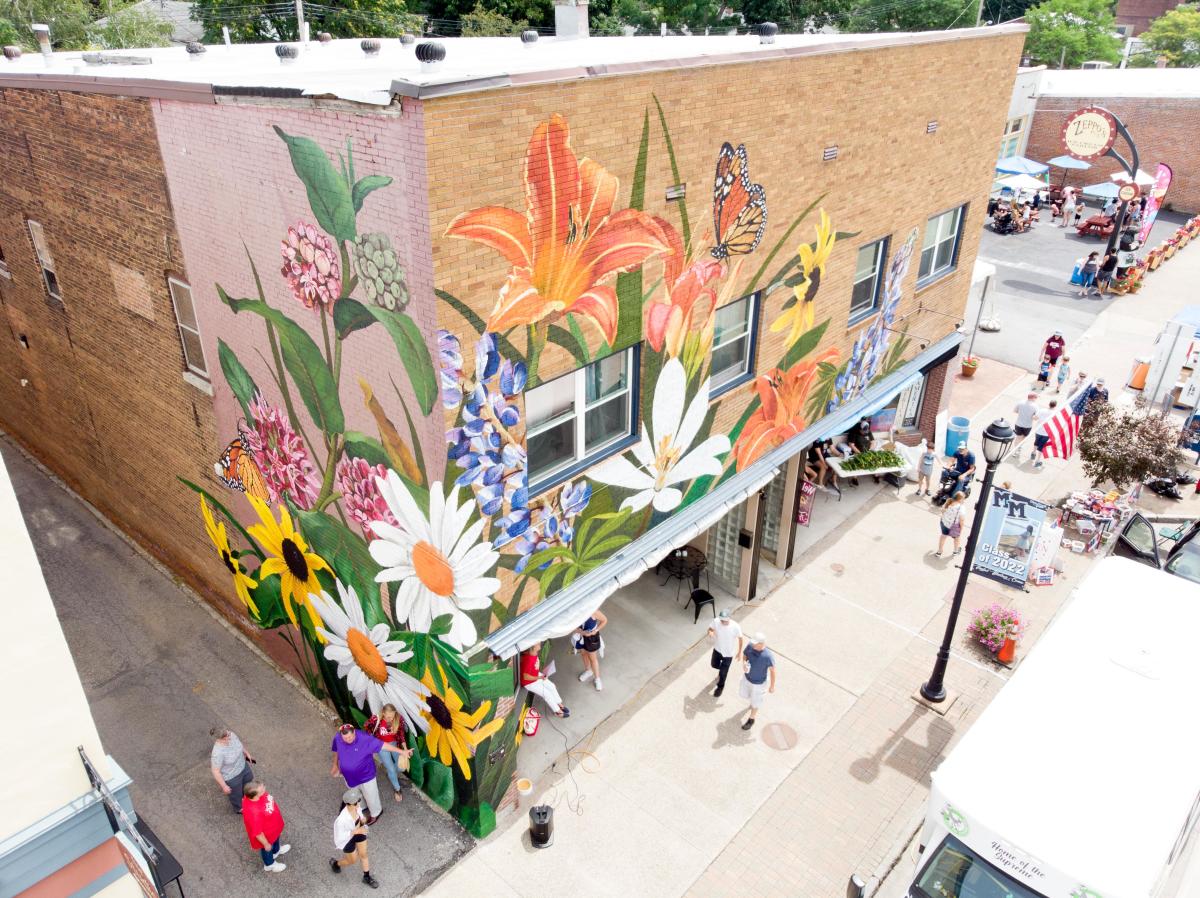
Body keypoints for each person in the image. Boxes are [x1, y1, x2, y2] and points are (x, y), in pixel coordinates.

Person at [331, 723, 408, 825]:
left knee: (371, 796)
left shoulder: (364, 739)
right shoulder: (338, 737)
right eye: (345, 738)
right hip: (350, 777)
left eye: (350, 737)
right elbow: (337, 750)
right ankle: (362, 807)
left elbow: (383, 745)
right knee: (356, 794)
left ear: (354, 732)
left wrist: (402, 752)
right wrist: (335, 764)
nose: (348, 739)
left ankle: (376, 813)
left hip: (366, 776)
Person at [330, 787, 379, 890]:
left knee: (364, 854)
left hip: (359, 830)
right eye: (355, 803)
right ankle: (336, 864)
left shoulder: (356, 806)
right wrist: (355, 831)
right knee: (352, 861)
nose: (358, 804)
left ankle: (366, 877)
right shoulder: (341, 820)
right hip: (348, 839)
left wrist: (362, 819)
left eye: (358, 801)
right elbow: (340, 836)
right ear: (348, 804)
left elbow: (360, 814)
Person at [365, 704, 411, 804]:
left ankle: (392, 775)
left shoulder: (398, 719)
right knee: (391, 769)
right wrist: (372, 743)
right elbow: (367, 729)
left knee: (401, 767)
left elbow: (401, 735)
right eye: (388, 717)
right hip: (382, 747)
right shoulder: (376, 719)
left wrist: (405, 749)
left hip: (394, 744)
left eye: (393, 716)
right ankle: (397, 789)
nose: (391, 719)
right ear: (383, 713)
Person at [242, 780, 289, 874]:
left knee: (275, 840)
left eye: (263, 786)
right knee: (267, 849)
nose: (265, 788)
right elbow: (258, 833)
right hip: (266, 836)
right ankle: (270, 864)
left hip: (273, 829)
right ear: (255, 795)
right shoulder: (254, 812)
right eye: (262, 789)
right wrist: (266, 844)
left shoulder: (255, 796)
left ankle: (276, 851)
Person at [210, 726, 256, 814]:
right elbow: (216, 771)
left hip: (243, 766)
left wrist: (247, 753)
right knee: (236, 794)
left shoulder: (231, 735)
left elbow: (239, 745)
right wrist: (224, 786)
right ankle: (239, 808)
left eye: (227, 734)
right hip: (231, 776)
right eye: (225, 738)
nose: (229, 737)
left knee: (249, 780)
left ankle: (245, 797)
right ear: (218, 740)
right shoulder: (218, 753)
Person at [520, 642, 569, 717]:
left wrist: (542, 675)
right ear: (532, 646)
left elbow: (534, 668)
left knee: (552, 686)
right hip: (529, 683)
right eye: (538, 643)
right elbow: (525, 677)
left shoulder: (534, 653)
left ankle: (559, 704)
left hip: (536, 675)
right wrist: (540, 677)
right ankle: (558, 711)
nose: (540, 644)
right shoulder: (529, 659)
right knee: (547, 694)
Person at [739, 633, 776, 731]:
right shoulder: (750, 646)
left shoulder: (768, 656)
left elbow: (773, 671)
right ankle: (753, 702)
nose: (753, 645)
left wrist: (772, 686)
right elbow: (745, 655)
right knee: (744, 695)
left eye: (755, 644)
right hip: (747, 678)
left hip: (759, 684)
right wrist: (744, 664)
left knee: (756, 702)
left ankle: (752, 719)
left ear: (761, 643)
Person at [707, 608, 744, 698]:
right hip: (717, 649)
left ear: (729, 618)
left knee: (723, 673)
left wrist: (739, 652)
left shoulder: (735, 626)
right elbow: (710, 629)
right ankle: (723, 670)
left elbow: (740, 638)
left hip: (728, 654)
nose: (722, 622)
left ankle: (720, 687)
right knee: (713, 664)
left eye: (724, 620)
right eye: (721, 620)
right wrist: (710, 632)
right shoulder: (716, 621)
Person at [574, 610, 607, 692]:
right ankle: (588, 671)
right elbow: (573, 627)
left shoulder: (593, 611)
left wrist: (594, 631)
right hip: (581, 637)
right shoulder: (577, 612)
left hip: (591, 638)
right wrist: (582, 632)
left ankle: (597, 679)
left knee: (593, 658)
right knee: (583, 654)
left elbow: (604, 620)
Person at [936, 492, 966, 557]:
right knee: (956, 538)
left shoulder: (948, 501)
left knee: (943, 536)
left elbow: (942, 510)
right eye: (964, 499)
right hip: (953, 526)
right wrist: (961, 528)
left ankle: (939, 551)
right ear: (960, 499)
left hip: (944, 523)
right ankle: (955, 551)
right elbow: (961, 520)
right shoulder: (961, 508)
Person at [1030, 399, 1056, 468]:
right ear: (1055, 406)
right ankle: (1037, 461)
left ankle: (1033, 453)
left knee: (1036, 442)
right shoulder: (1055, 413)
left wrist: (1032, 415)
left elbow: (1035, 418)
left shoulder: (1042, 410)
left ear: (1049, 404)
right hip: (1047, 433)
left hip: (1038, 430)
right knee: (1041, 447)